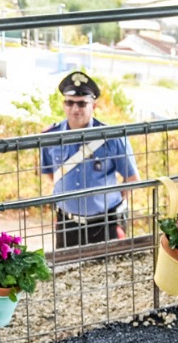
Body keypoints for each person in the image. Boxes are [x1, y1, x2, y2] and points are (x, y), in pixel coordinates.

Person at [39, 71, 137, 246]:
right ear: (64, 105)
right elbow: (50, 174)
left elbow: (131, 179)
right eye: (70, 103)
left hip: (105, 223)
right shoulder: (50, 136)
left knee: (109, 271)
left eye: (82, 104)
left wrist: (108, 203)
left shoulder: (112, 137)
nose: (75, 109)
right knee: (66, 271)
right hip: (66, 223)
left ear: (94, 105)